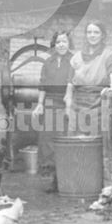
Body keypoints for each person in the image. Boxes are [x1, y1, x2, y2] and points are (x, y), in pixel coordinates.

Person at [32, 30, 74, 191]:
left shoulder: (74, 61)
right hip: (50, 102)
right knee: (48, 141)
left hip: (66, 103)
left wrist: (69, 104)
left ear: (69, 44)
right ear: (54, 45)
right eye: (58, 42)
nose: (61, 45)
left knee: (64, 139)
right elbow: (43, 85)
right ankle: (53, 180)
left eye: (64, 42)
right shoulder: (48, 62)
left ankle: (65, 179)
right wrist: (40, 104)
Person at [68, 20, 112, 133]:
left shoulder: (108, 54)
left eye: (96, 32)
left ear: (102, 35)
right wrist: (68, 102)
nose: (92, 35)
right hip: (77, 104)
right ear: (86, 35)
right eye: (89, 32)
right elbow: (70, 81)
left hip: (97, 104)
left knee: (94, 138)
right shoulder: (77, 57)